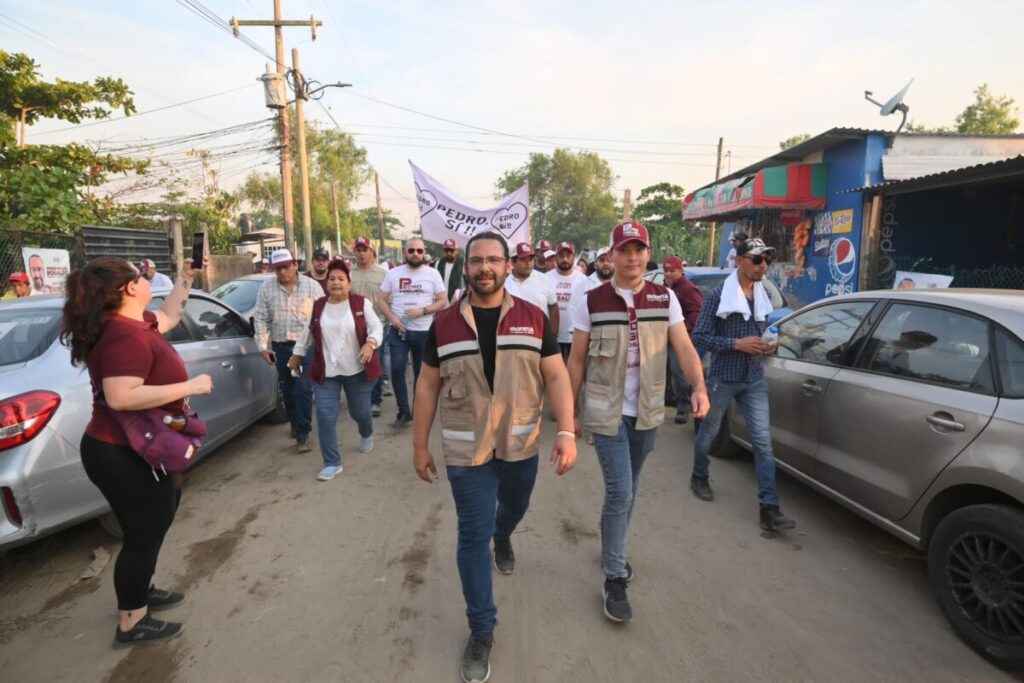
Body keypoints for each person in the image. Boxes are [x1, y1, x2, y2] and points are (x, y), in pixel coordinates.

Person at [412, 231, 577, 683]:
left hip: (520, 444)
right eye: (477, 261)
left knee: (515, 508)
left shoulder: (533, 317)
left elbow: (557, 378)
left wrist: (565, 430)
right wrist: (419, 444)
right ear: (466, 267)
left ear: (508, 266)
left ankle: (504, 535)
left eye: (494, 260)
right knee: (471, 537)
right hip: (467, 450)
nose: (486, 267)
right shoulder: (444, 324)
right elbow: (427, 385)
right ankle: (482, 629)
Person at [60, 256, 211, 647]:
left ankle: (141, 590)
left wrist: (184, 280)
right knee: (142, 535)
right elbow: (121, 396)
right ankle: (132, 622)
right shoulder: (123, 336)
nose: (148, 280)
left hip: (136, 446)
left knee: (157, 521)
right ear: (128, 288)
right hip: (118, 452)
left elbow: (169, 316)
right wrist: (190, 387)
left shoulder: (133, 322)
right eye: (143, 276)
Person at [567, 221, 709, 624]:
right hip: (605, 411)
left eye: (638, 250)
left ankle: (612, 545)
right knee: (620, 491)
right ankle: (614, 575)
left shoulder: (665, 299)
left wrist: (698, 386)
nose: (631, 257)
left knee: (629, 491)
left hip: (647, 411)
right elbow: (575, 361)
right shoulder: (590, 301)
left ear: (647, 255)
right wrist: (568, 415)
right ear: (610, 256)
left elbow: (683, 346)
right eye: (623, 250)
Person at [690, 237, 796, 532]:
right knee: (708, 432)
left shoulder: (762, 294)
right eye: (757, 259)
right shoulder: (718, 296)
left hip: (753, 379)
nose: (764, 266)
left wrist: (768, 346)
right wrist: (736, 343)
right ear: (739, 261)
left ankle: (769, 507)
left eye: (767, 260)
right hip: (723, 377)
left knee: (762, 442)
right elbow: (699, 336)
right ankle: (699, 475)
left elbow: (763, 332)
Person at [290, 259, 383, 481]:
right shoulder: (318, 306)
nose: (336, 282)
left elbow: (377, 326)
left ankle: (366, 432)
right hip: (327, 372)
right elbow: (308, 333)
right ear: (327, 283)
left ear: (349, 283)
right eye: (332, 279)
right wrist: (297, 355)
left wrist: (370, 343)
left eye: (341, 279)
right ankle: (332, 462)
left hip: (357, 370)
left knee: (359, 412)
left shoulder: (361, 304)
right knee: (324, 414)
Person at [253, 248, 324, 453]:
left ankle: (303, 434)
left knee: (303, 389)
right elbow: (261, 318)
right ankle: (296, 421)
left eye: (286, 267)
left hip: (306, 347)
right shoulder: (267, 288)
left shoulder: (312, 287)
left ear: (295, 265)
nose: (282, 272)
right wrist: (263, 346)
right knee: (289, 389)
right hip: (281, 347)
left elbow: (322, 316)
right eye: (278, 268)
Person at [377, 238, 447, 429]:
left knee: (421, 373)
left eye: (419, 251)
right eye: (411, 251)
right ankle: (403, 411)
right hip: (399, 331)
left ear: (424, 252)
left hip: (423, 331)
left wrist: (423, 311)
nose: (415, 254)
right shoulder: (393, 273)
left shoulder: (432, 274)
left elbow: (442, 300)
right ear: (405, 252)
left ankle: (419, 409)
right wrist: (393, 318)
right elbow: (381, 299)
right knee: (397, 369)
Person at [350, 236, 392, 417]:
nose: (361, 253)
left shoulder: (383, 275)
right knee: (358, 363)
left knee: (376, 362)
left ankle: (374, 401)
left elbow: (390, 300)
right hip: (355, 326)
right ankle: (361, 398)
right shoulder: (350, 274)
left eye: (364, 249)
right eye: (358, 250)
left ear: (372, 252)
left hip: (379, 325)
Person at [663, 256, 704, 424]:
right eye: (666, 270)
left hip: (682, 338)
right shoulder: (667, 288)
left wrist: (681, 331)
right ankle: (670, 398)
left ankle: (684, 407)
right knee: (665, 370)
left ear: (681, 271)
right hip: (665, 337)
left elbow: (697, 314)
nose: (668, 274)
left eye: (672, 271)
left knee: (678, 371)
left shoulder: (687, 288)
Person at [546, 241, 587, 360]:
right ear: (556, 258)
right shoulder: (546, 278)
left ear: (573, 258)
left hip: (575, 335)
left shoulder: (583, 280)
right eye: (561, 256)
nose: (565, 259)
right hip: (551, 335)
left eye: (568, 256)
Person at [504, 242, 559, 327]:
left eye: (530, 259)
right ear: (513, 262)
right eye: (523, 260)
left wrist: (553, 334)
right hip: (513, 336)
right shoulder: (505, 284)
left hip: (541, 336)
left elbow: (553, 307)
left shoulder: (544, 279)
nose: (528, 263)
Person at [437, 238, 465, 302]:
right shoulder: (438, 263)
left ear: (457, 251)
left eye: (451, 250)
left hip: (458, 301)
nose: (449, 253)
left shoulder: (463, 263)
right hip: (441, 301)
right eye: (446, 250)